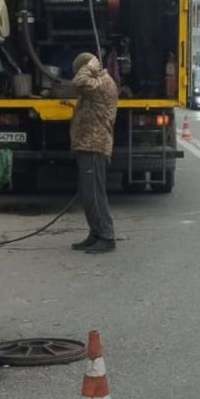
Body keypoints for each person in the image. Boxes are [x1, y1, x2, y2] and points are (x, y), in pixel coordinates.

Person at [69, 53, 118, 254]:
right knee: (89, 195)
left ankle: (106, 236)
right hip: (87, 145)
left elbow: (78, 82)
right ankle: (95, 233)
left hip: (95, 146)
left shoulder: (103, 83)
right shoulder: (97, 82)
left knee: (95, 194)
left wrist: (89, 65)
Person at [126, 0, 170, 97]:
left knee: (154, 62)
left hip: (155, 35)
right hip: (138, 34)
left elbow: (164, 14)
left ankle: (155, 88)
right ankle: (141, 87)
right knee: (139, 61)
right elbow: (131, 13)